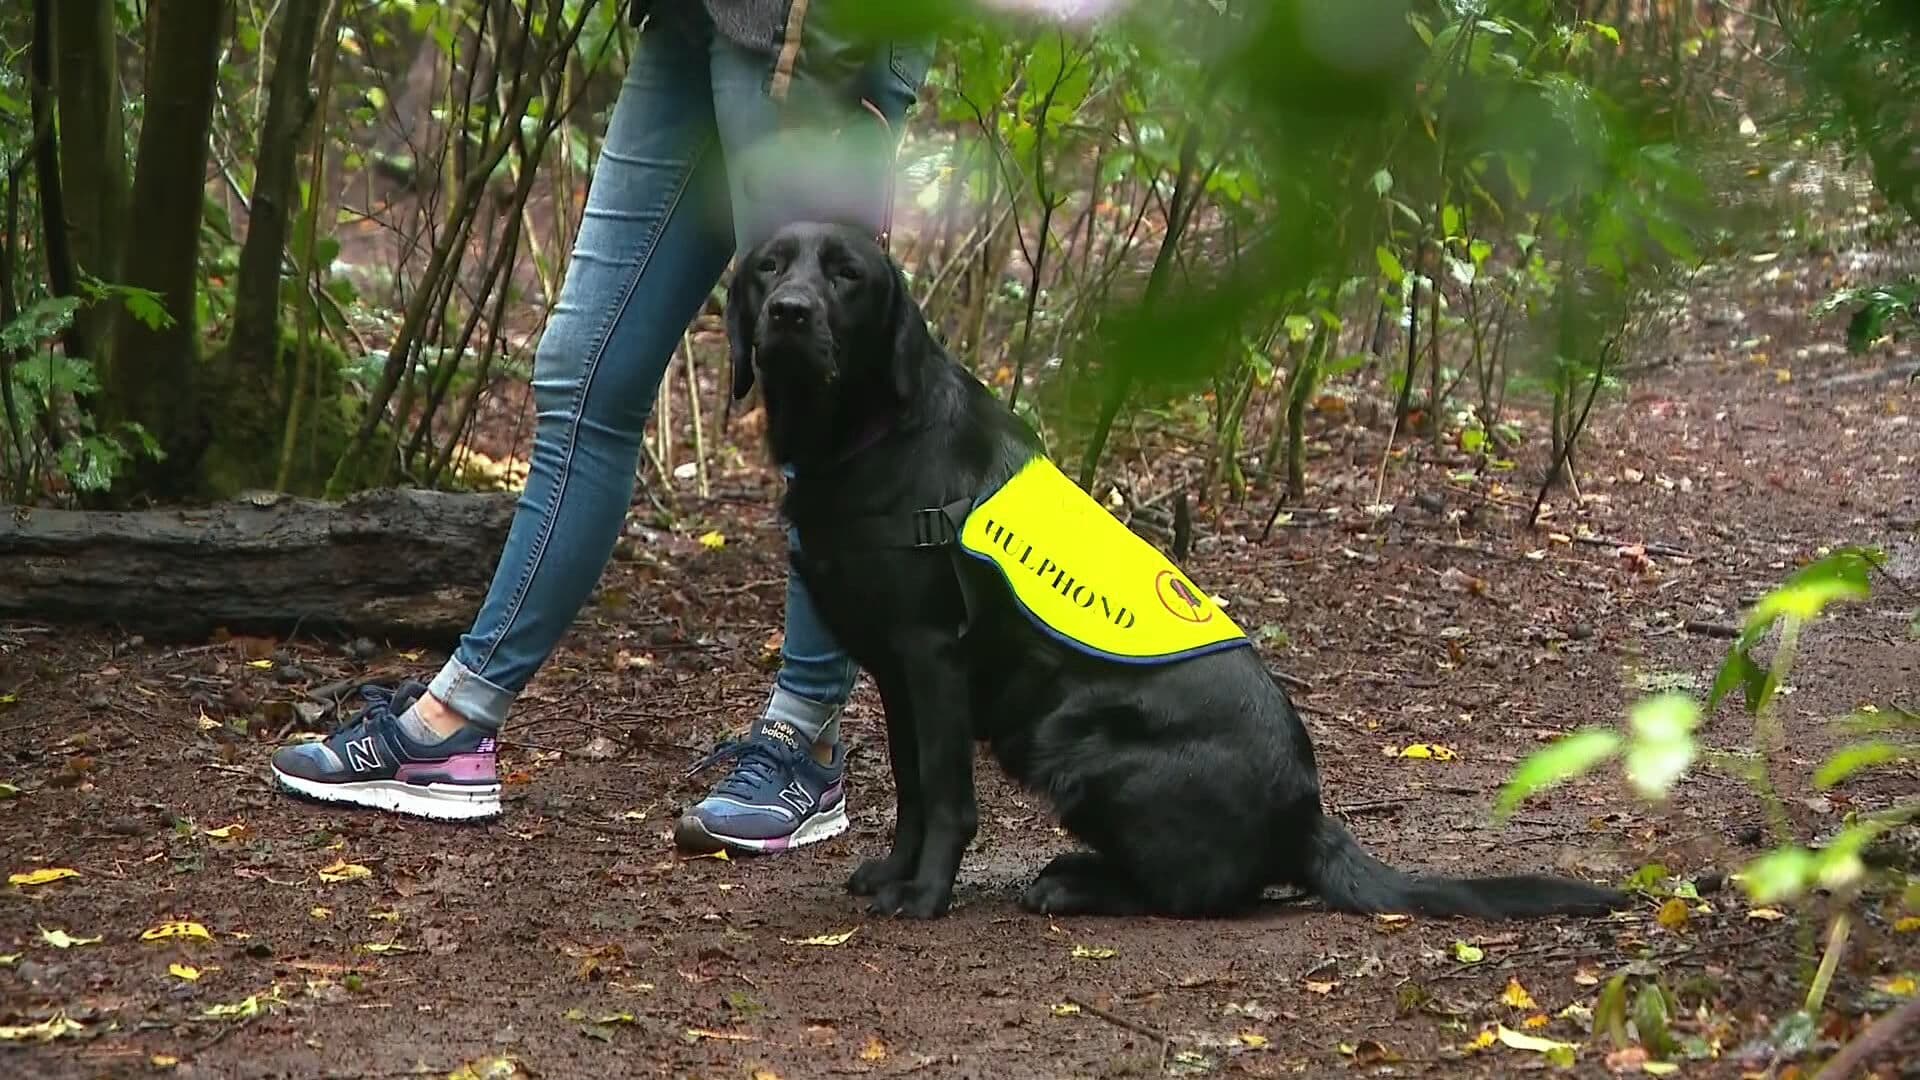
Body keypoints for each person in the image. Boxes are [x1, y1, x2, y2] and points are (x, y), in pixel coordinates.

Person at [270, 0, 932, 855]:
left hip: (821, 34)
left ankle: (805, 740)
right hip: (697, 18)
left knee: (816, 379)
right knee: (586, 374)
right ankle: (457, 720)